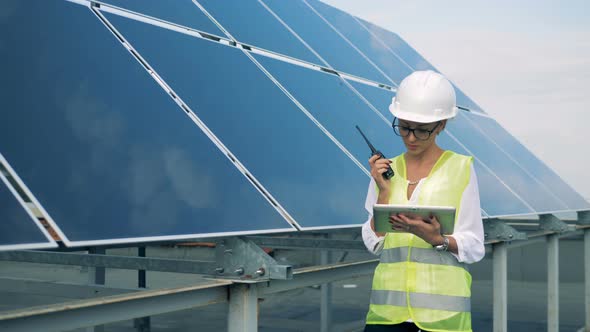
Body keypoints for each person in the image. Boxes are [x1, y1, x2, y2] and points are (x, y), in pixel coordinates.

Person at [362, 70, 485, 332]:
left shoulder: (461, 168)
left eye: (422, 130)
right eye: (404, 127)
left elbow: (475, 247)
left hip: (441, 321)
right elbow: (375, 245)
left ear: (441, 125)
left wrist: (437, 240)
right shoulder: (385, 171)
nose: (411, 138)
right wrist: (383, 192)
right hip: (387, 317)